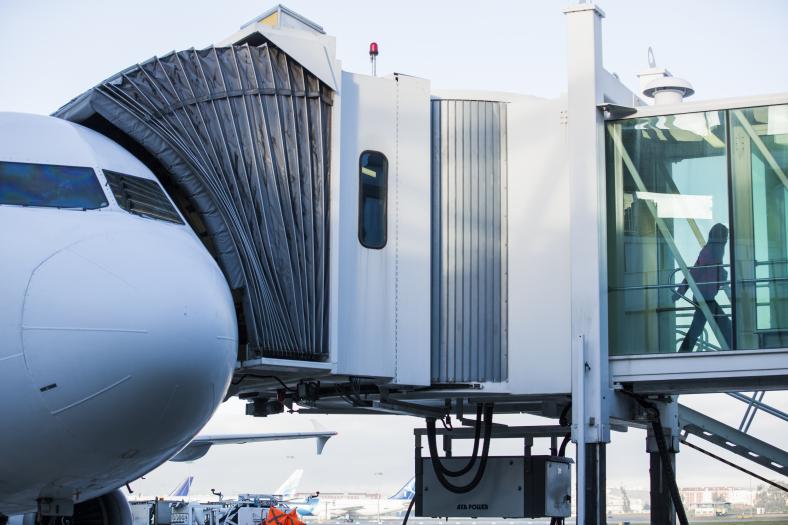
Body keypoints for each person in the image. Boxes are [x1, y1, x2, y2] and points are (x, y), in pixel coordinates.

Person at [673, 223, 732, 352]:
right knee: (724, 326)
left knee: (697, 328)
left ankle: (683, 352)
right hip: (704, 298)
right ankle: (734, 347)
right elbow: (693, 274)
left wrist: (722, 274)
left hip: (706, 297)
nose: (725, 242)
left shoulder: (715, 253)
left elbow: (714, 273)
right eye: (724, 239)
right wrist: (679, 292)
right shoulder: (708, 254)